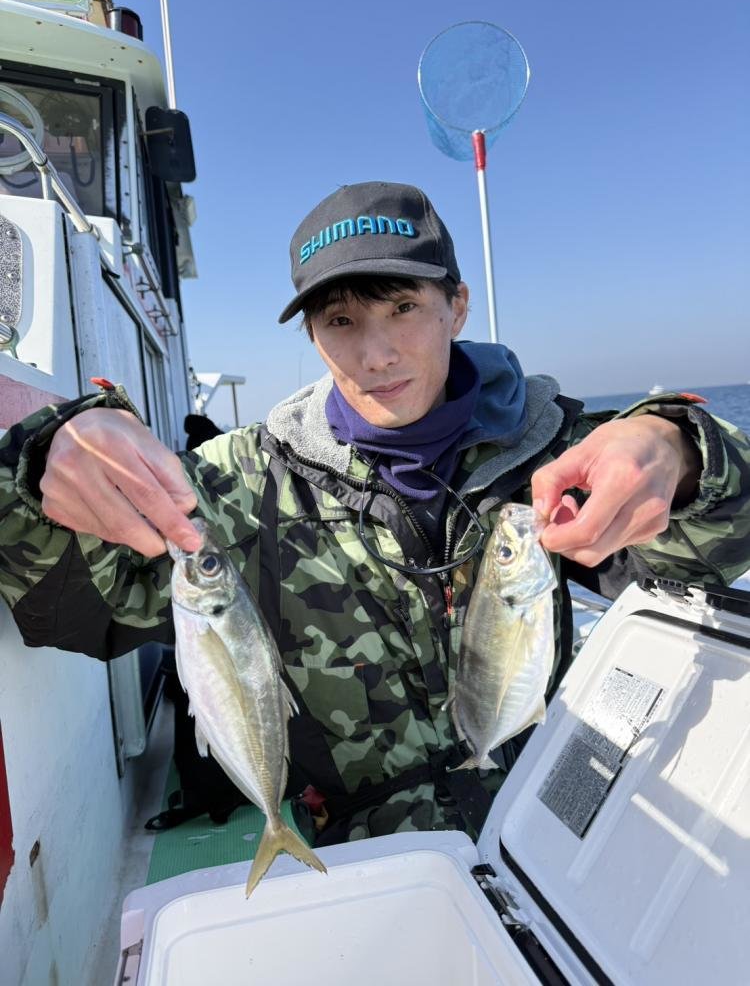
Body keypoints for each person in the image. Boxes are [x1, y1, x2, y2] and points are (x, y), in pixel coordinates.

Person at [1, 181, 749, 843]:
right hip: (377, 852)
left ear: (457, 306)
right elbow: (72, 606)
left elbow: (706, 558)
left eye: (403, 308)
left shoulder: (555, 450)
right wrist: (41, 458)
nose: (377, 355)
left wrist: (682, 452)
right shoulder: (237, 486)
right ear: (312, 335)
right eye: (340, 321)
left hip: (557, 808)